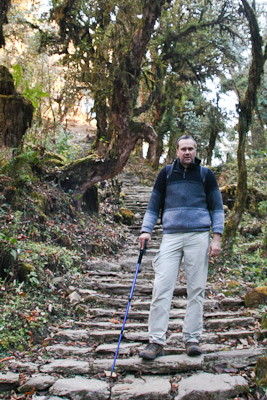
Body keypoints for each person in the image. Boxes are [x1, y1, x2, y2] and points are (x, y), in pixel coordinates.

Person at [139, 135, 224, 359]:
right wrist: (146, 230)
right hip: (171, 236)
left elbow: (217, 208)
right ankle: (156, 341)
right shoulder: (166, 174)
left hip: (198, 236)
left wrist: (216, 238)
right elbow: (154, 204)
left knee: (196, 289)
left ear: (196, 151)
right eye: (183, 149)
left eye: (191, 149)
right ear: (176, 151)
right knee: (161, 286)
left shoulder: (206, 175)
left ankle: (192, 339)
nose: (187, 152)